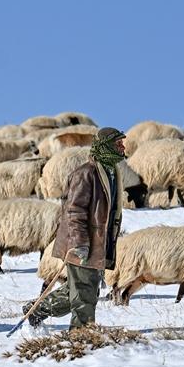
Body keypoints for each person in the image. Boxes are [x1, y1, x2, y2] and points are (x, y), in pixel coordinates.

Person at [28, 127, 127, 329]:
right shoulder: (85, 174)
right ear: (106, 146)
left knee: (77, 290)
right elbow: (74, 211)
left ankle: (37, 309)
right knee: (84, 294)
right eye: (118, 144)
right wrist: (80, 243)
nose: (123, 148)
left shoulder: (111, 172)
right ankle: (81, 336)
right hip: (83, 244)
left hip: (99, 245)